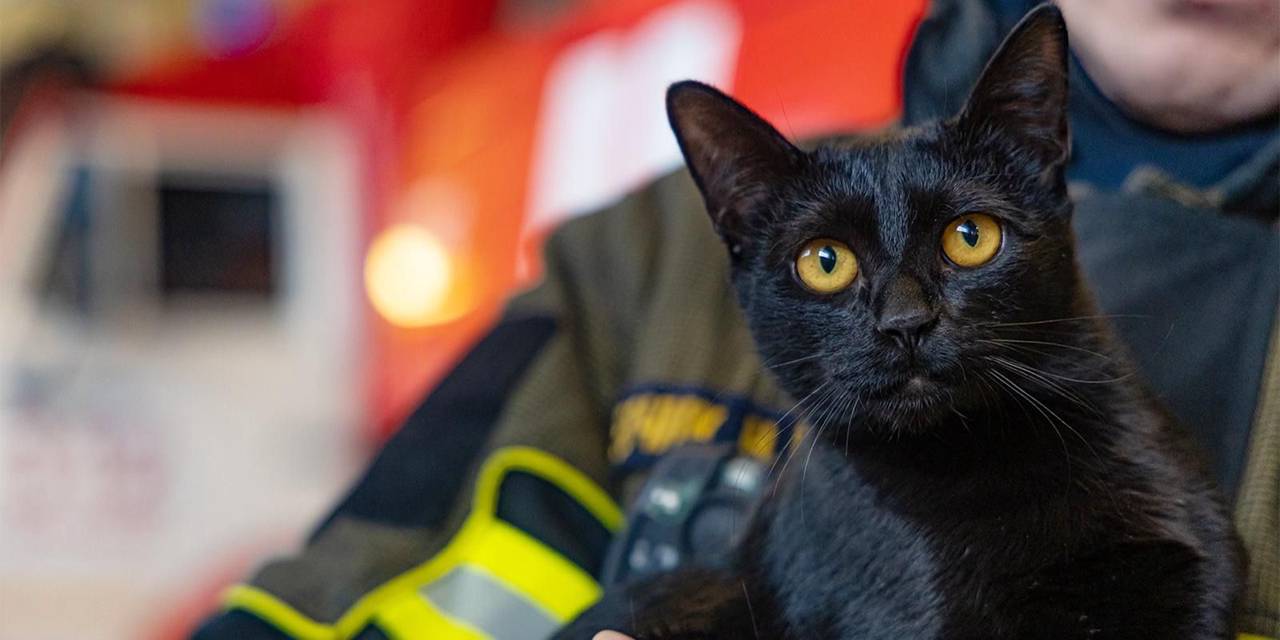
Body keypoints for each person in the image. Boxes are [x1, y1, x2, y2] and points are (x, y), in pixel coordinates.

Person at [193, 1, 1279, 638]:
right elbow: (339, 599)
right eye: (825, 264)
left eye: (966, 241)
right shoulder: (643, 256)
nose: (901, 314)